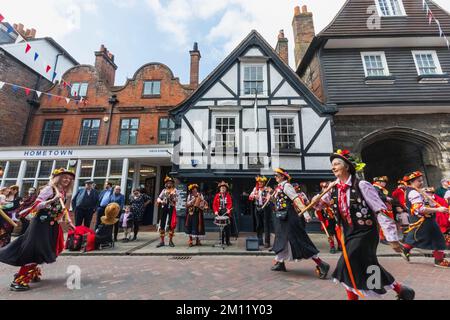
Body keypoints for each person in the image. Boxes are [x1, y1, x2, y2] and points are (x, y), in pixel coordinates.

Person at [313, 150, 414, 300]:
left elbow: (381, 211)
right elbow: (321, 205)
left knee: (347, 262)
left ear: (347, 166)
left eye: (336, 164)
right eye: (332, 165)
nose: (333, 168)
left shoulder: (362, 185)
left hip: (366, 232)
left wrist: (391, 238)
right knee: (366, 265)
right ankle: (400, 289)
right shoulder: (333, 187)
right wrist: (316, 201)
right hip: (347, 232)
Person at [0, 168, 75, 291]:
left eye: (69, 178)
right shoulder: (49, 189)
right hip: (40, 224)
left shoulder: (63, 192)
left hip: (52, 225)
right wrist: (52, 199)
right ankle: (19, 280)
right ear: (58, 178)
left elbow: (63, 209)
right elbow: (36, 205)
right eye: (64, 177)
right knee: (34, 249)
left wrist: (69, 221)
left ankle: (33, 273)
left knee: (44, 249)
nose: (67, 180)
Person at [269, 168, 330, 279]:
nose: (275, 176)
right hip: (281, 218)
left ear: (283, 176)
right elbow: (278, 201)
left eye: (277, 175)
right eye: (275, 175)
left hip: (289, 218)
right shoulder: (279, 187)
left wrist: (306, 214)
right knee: (281, 240)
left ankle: (321, 264)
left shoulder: (287, 186)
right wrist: (271, 198)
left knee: (299, 240)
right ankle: (280, 263)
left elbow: (296, 199)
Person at [402, 171, 450, 268]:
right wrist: (438, 209)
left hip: (425, 220)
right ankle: (439, 260)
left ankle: (405, 249)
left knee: (418, 237)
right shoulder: (413, 192)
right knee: (438, 239)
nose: (421, 182)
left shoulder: (414, 190)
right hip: (424, 220)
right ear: (411, 182)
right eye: (419, 181)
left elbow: (424, 205)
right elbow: (420, 209)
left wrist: (434, 205)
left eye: (421, 180)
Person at [315, 181, 342, 254]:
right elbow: (317, 207)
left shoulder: (335, 194)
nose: (326, 189)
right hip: (328, 216)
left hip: (337, 215)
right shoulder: (321, 196)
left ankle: (340, 245)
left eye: (327, 187)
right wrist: (316, 201)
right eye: (324, 187)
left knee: (338, 231)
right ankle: (332, 246)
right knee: (330, 232)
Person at [372, 176, 397, 245]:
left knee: (387, 222)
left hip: (386, 207)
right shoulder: (375, 188)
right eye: (383, 182)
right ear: (378, 182)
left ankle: (389, 237)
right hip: (381, 208)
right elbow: (376, 197)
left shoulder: (380, 188)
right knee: (384, 223)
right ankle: (383, 238)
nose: (385, 184)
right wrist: (386, 198)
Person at [249, 176, 272, 248]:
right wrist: (254, 196)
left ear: (264, 183)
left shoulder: (267, 189)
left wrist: (269, 193)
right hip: (257, 208)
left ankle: (267, 242)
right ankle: (260, 241)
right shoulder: (255, 189)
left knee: (266, 225)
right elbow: (250, 197)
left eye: (261, 182)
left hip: (265, 208)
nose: (260, 183)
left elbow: (270, 197)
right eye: (259, 182)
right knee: (259, 225)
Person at [156, 176, 178, 247]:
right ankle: (162, 241)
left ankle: (170, 241)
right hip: (164, 207)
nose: (169, 184)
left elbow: (177, 199)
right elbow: (159, 198)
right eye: (168, 183)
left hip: (171, 207)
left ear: (172, 184)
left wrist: (173, 197)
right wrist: (161, 201)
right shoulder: (164, 190)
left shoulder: (175, 190)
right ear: (166, 184)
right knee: (162, 223)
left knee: (171, 224)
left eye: (170, 183)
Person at [213, 181, 233, 246]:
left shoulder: (228, 195)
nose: (223, 189)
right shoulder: (217, 196)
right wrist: (215, 211)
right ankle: (221, 241)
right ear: (220, 189)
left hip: (226, 212)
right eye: (222, 188)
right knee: (221, 228)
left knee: (227, 228)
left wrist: (228, 209)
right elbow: (214, 205)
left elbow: (230, 203)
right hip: (220, 212)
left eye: (224, 188)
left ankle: (227, 241)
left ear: (226, 189)